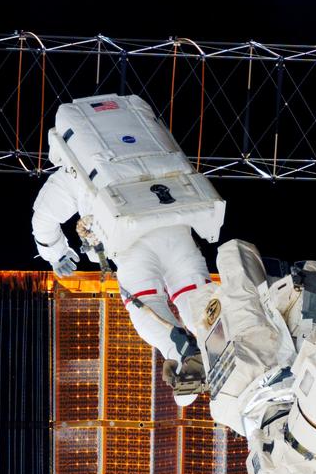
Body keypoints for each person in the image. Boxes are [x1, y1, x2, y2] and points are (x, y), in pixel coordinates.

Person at [31, 94, 224, 403]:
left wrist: (58, 254)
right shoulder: (147, 145)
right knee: (194, 295)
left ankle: (180, 350)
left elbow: (42, 219)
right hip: (177, 227)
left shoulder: (71, 174)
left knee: (146, 305)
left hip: (131, 245)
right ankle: (222, 339)